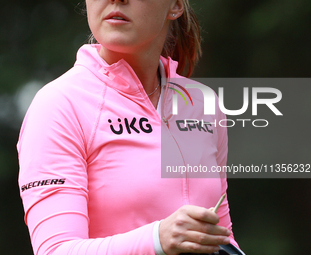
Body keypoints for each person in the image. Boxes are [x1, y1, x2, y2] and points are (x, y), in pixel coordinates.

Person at [17, 0, 242, 254]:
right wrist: (157, 240)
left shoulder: (204, 103)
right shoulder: (59, 105)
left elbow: (222, 237)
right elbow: (55, 250)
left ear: (175, 6)